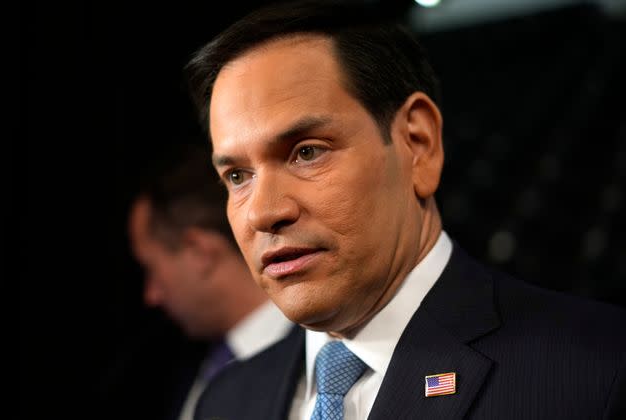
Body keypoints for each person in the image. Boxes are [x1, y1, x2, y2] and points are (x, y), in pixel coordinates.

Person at [183, 1, 626, 419]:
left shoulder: (598, 369)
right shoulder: (225, 401)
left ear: (418, 145)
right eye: (238, 176)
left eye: (307, 152)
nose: (262, 213)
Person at [99, 142, 293, 420]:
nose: (151, 295)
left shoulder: (321, 354)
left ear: (200, 252)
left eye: (151, 269)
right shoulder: (168, 371)